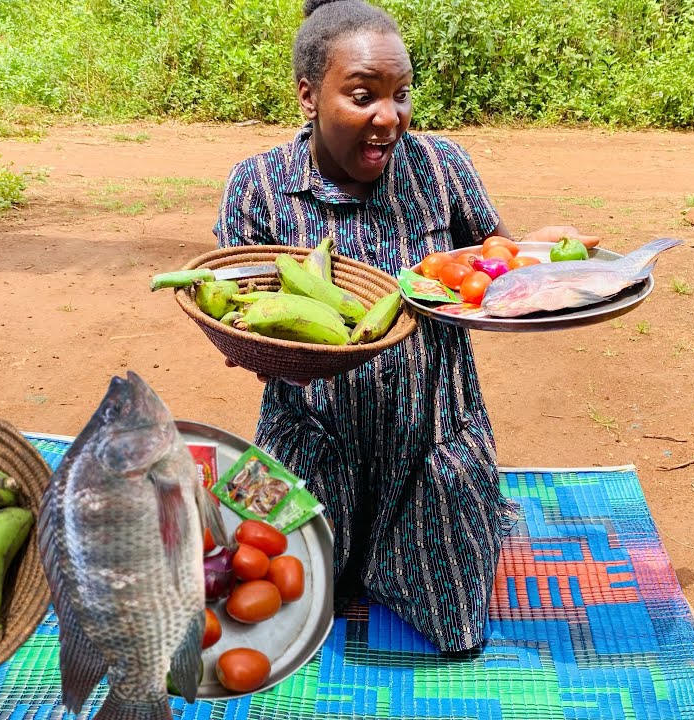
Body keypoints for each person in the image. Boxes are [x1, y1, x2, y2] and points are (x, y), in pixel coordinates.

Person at [213, 0, 597, 652]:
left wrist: (535, 254)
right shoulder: (257, 186)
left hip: (433, 436)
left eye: (401, 94)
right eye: (363, 95)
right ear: (308, 95)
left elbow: (492, 263)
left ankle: (444, 509)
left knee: (456, 630)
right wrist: (262, 347)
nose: (388, 118)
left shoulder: (441, 166)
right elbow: (238, 318)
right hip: (310, 436)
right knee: (269, 599)